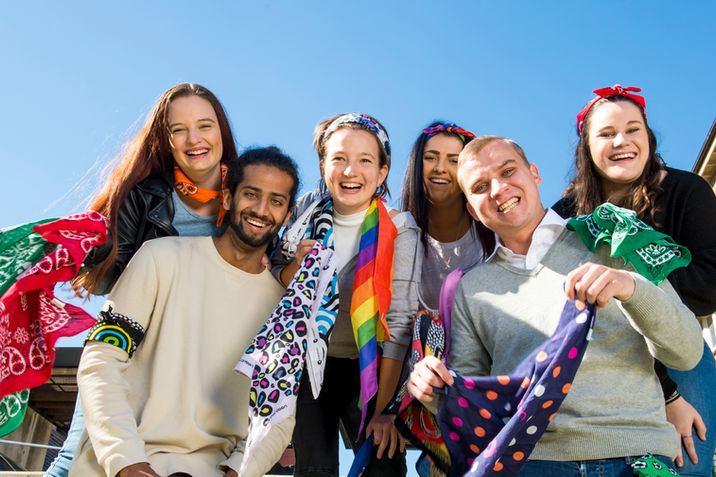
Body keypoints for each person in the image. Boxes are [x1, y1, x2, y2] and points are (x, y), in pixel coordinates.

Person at [408, 135, 704, 476]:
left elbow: (687, 351)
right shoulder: (471, 291)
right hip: (530, 463)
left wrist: (632, 287)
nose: (499, 189)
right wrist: (435, 391)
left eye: (508, 171)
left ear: (535, 174)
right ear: (473, 209)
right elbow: (473, 400)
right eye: (480, 186)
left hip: (636, 453)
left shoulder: (613, 238)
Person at [44, 82, 239, 477]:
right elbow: (103, 284)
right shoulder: (142, 195)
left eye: (205, 125)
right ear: (165, 140)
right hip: (129, 350)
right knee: (77, 458)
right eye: (178, 129)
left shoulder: (247, 200)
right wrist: (95, 248)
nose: (194, 139)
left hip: (202, 365)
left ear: (222, 131)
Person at [68, 147, 300, 477]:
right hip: (123, 464)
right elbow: (102, 360)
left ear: (288, 214)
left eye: (276, 201)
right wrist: (127, 460)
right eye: (251, 194)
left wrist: (238, 472)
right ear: (228, 197)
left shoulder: (284, 311)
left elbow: (276, 415)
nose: (262, 210)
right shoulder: (160, 258)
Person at [553, 85, 716, 476]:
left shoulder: (684, 190)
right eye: (606, 134)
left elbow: (709, 285)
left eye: (633, 129)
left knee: (687, 464)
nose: (621, 142)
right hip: (598, 361)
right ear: (586, 147)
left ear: (648, 137)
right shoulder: (564, 215)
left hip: (677, 353)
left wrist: (632, 283)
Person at [271, 113, 410, 476]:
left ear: (382, 172)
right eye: (339, 158)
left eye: (365, 160)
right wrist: (293, 268)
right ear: (323, 164)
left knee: (384, 465)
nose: (351, 171)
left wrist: (386, 410)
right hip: (308, 363)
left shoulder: (399, 228)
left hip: (373, 365)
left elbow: (400, 323)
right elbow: (271, 276)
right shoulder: (301, 214)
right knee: (314, 468)